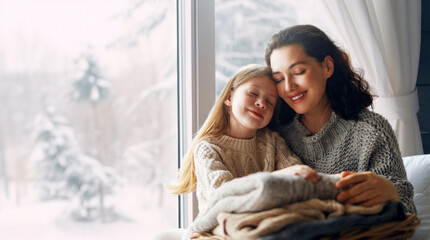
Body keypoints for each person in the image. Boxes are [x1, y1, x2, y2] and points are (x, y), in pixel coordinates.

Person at [264, 24, 416, 214]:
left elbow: (408, 214)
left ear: (327, 67)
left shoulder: (372, 131)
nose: (288, 87)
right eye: (278, 79)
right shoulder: (275, 135)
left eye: (298, 72)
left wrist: (391, 192)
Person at [168, 64, 319, 214]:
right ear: (229, 97)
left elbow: (300, 177)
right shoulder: (207, 149)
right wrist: (277, 177)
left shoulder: (272, 141)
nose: (261, 103)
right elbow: (223, 198)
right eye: (253, 93)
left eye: (270, 102)